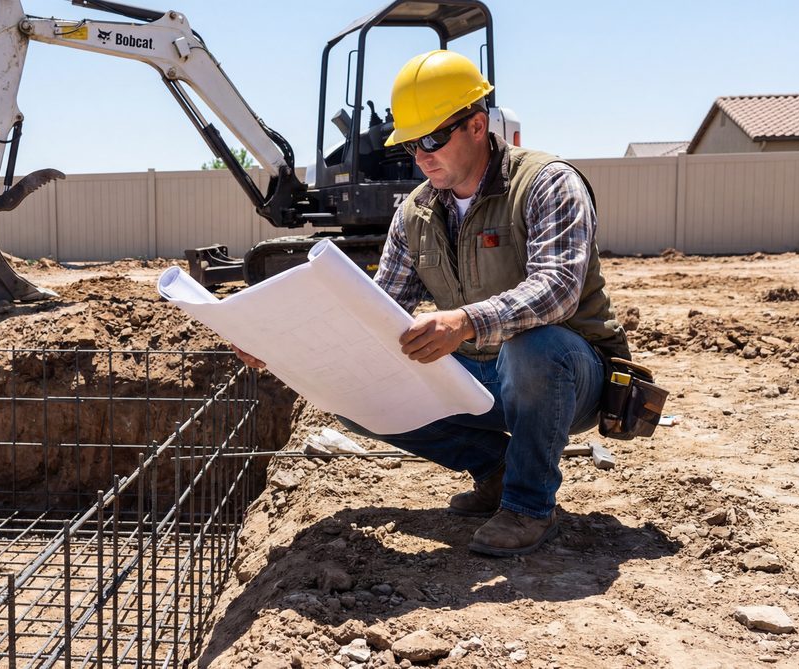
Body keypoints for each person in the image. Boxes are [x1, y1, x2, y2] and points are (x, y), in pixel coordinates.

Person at [234, 50, 630, 557]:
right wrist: (283, 346)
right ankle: (496, 469)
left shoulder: (548, 183)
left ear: (477, 126)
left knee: (535, 346)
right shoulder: (414, 213)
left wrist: (465, 322)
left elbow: (558, 288)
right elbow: (374, 311)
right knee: (353, 391)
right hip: (479, 377)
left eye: (431, 140)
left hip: (569, 378)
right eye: (410, 145)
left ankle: (529, 506)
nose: (420, 157)